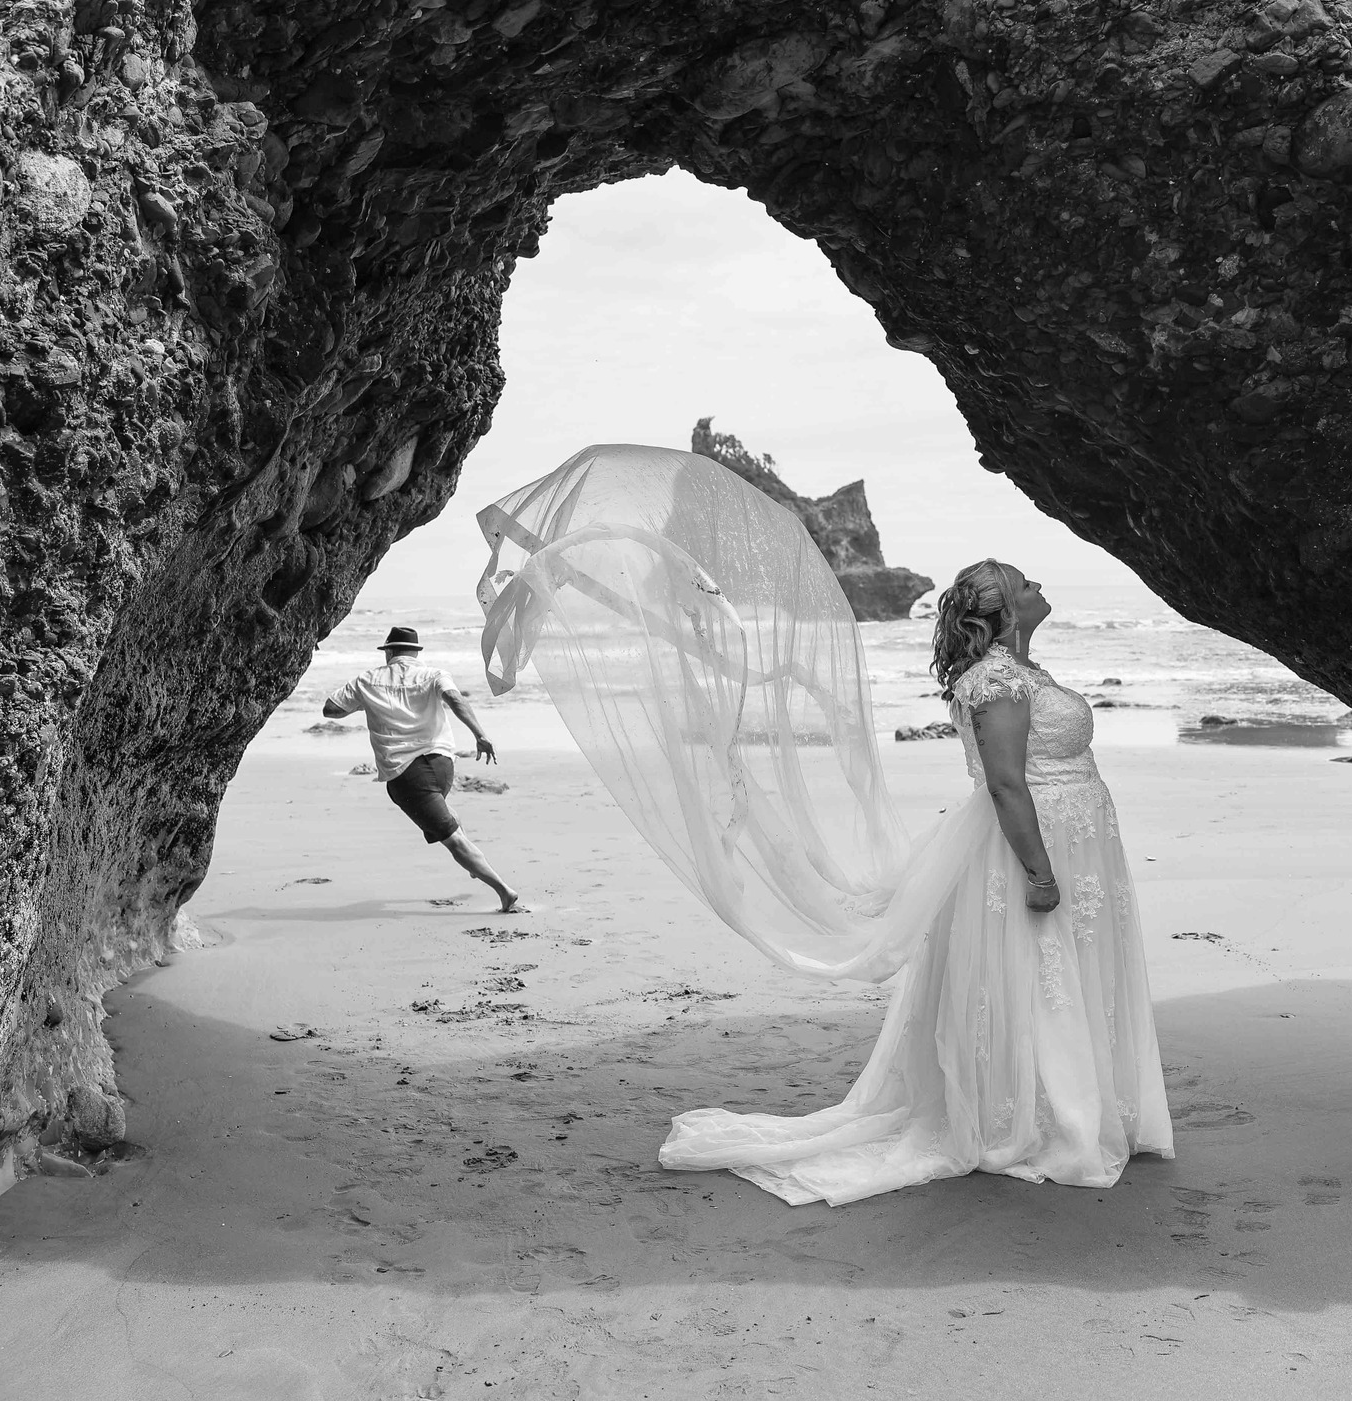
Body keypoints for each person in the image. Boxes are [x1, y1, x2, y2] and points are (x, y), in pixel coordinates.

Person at [476, 446, 1171, 1205]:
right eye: (1025, 582)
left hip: (1078, 840)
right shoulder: (997, 681)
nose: (1040, 585)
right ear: (1004, 609)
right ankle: (1047, 1121)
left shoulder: (1026, 672)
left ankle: (1079, 1108)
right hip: (1026, 847)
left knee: (1066, 977)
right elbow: (1006, 784)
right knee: (1039, 982)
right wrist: (1039, 872)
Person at [323, 625, 522, 913]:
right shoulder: (434, 674)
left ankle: (504, 891)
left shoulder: (367, 680)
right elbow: (456, 700)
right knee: (444, 811)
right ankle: (473, 863)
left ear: (388, 652)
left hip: (406, 774)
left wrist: (365, 705)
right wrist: (480, 735)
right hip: (443, 766)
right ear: (416, 652)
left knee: (452, 840)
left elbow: (330, 709)